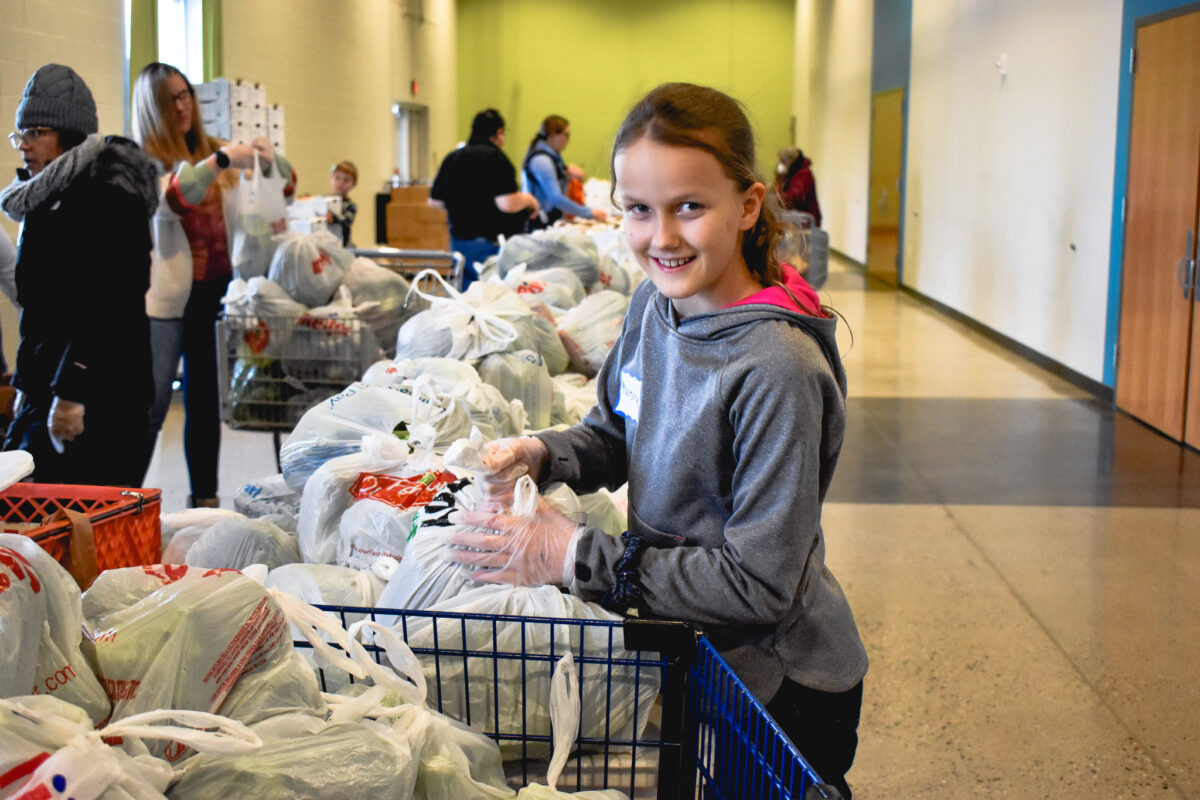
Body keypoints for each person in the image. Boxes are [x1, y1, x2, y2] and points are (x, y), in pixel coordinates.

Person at [447, 83, 867, 798]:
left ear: (748, 205)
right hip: (695, 646)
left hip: (781, 688)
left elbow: (760, 582)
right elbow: (616, 430)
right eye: (639, 210)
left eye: (689, 207)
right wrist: (543, 454)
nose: (661, 237)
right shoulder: (654, 304)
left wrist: (575, 555)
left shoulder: (776, 370)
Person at [132, 62, 296, 508]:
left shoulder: (215, 151)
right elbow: (172, 201)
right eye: (172, 99)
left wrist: (268, 155)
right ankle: (121, 500)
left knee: (205, 405)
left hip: (217, 294)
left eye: (187, 95)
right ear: (153, 106)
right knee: (152, 408)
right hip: (166, 302)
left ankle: (204, 500)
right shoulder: (144, 161)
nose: (184, 106)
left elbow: (287, 184)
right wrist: (221, 160)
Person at [0, 64, 159, 486]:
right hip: (48, 382)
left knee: (87, 521)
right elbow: (40, 306)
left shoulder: (109, 194)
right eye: (22, 134)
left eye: (37, 132)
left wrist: (72, 391)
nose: (25, 145)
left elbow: (114, 300)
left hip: (100, 389)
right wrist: (27, 385)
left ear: (68, 134)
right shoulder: (45, 194)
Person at [429, 108, 538, 287]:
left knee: (466, 295)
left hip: (458, 241)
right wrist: (529, 200)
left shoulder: (453, 157)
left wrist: (461, 203)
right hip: (488, 242)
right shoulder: (496, 158)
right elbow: (507, 203)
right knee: (489, 297)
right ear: (498, 133)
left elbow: (435, 201)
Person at [521, 115, 608, 228]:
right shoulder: (542, 160)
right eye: (566, 135)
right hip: (540, 223)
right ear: (553, 135)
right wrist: (589, 213)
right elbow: (556, 198)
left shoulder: (553, 156)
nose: (568, 140)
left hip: (549, 219)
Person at [776, 146, 822, 227]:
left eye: (782, 162)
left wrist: (777, 197)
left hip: (807, 222)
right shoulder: (792, 174)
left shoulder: (804, 174)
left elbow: (795, 196)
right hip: (800, 220)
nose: (780, 166)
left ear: (789, 161)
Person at [326, 160, 357, 247]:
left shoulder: (350, 206)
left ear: (353, 184)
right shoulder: (324, 202)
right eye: (337, 178)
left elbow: (347, 221)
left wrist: (335, 219)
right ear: (331, 179)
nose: (341, 183)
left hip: (342, 246)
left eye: (346, 180)